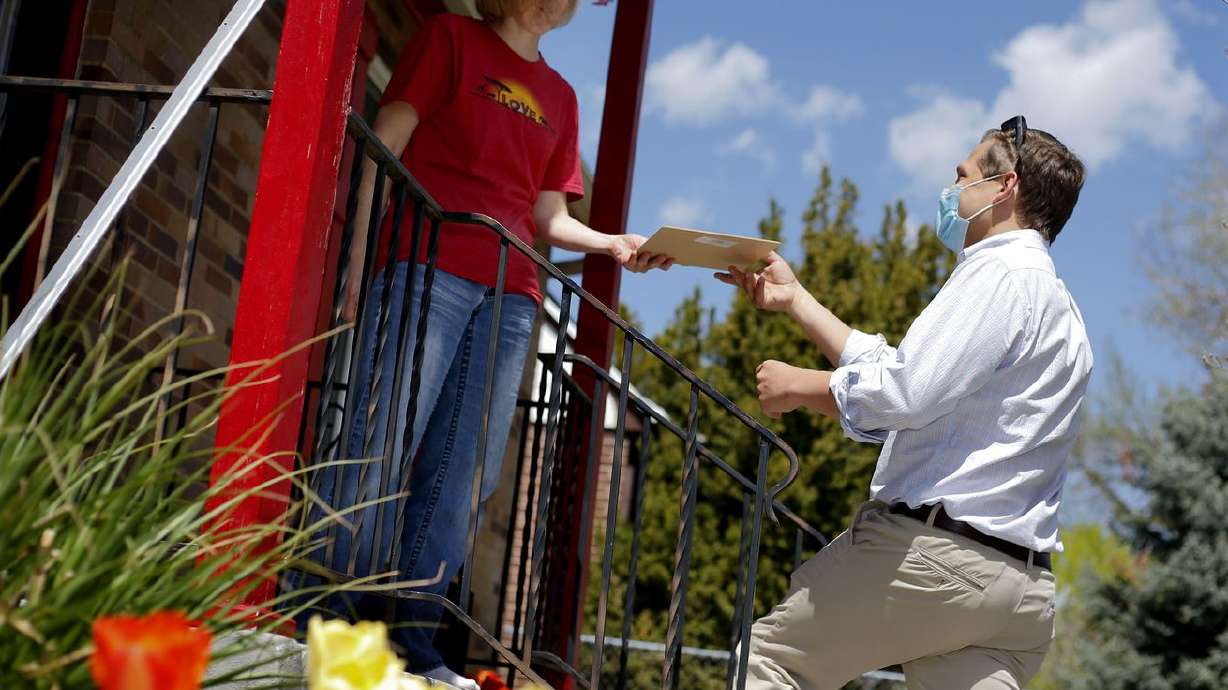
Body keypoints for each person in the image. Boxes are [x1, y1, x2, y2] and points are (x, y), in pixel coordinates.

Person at [308, 2, 672, 687]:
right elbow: (388, 139)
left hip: (512, 297)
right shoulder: (450, 39)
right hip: (427, 264)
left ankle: (412, 641)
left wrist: (613, 244)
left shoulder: (561, 97)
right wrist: (356, 256)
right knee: (380, 442)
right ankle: (322, 616)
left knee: (468, 475)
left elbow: (547, 213)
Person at [716, 117, 1092, 689]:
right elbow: (912, 377)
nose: (952, 187)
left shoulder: (997, 273)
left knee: (771, 662)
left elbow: (907, 393)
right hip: (1019, 593)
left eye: (963, 175)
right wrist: (797, 302)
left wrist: (802, 386)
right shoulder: (1063, 310)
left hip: (936, 561)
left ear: (1004, 186)